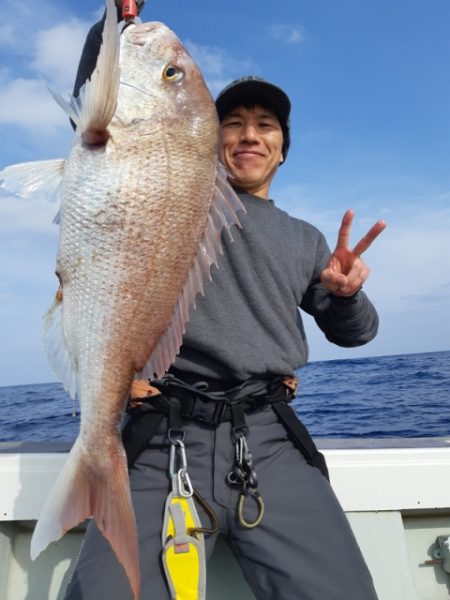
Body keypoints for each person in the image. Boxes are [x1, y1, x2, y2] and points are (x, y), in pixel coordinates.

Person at [64, 7, 386, 600]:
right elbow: (99, 97)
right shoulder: (168, 201)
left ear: (284, 149)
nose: (248, 135)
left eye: (266, 126)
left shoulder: (305, 237)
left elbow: (355, 334)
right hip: (162, 433)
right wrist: (114, 17)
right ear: (206, 137)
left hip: (268, 438)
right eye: (232, 123)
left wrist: (348, 294)